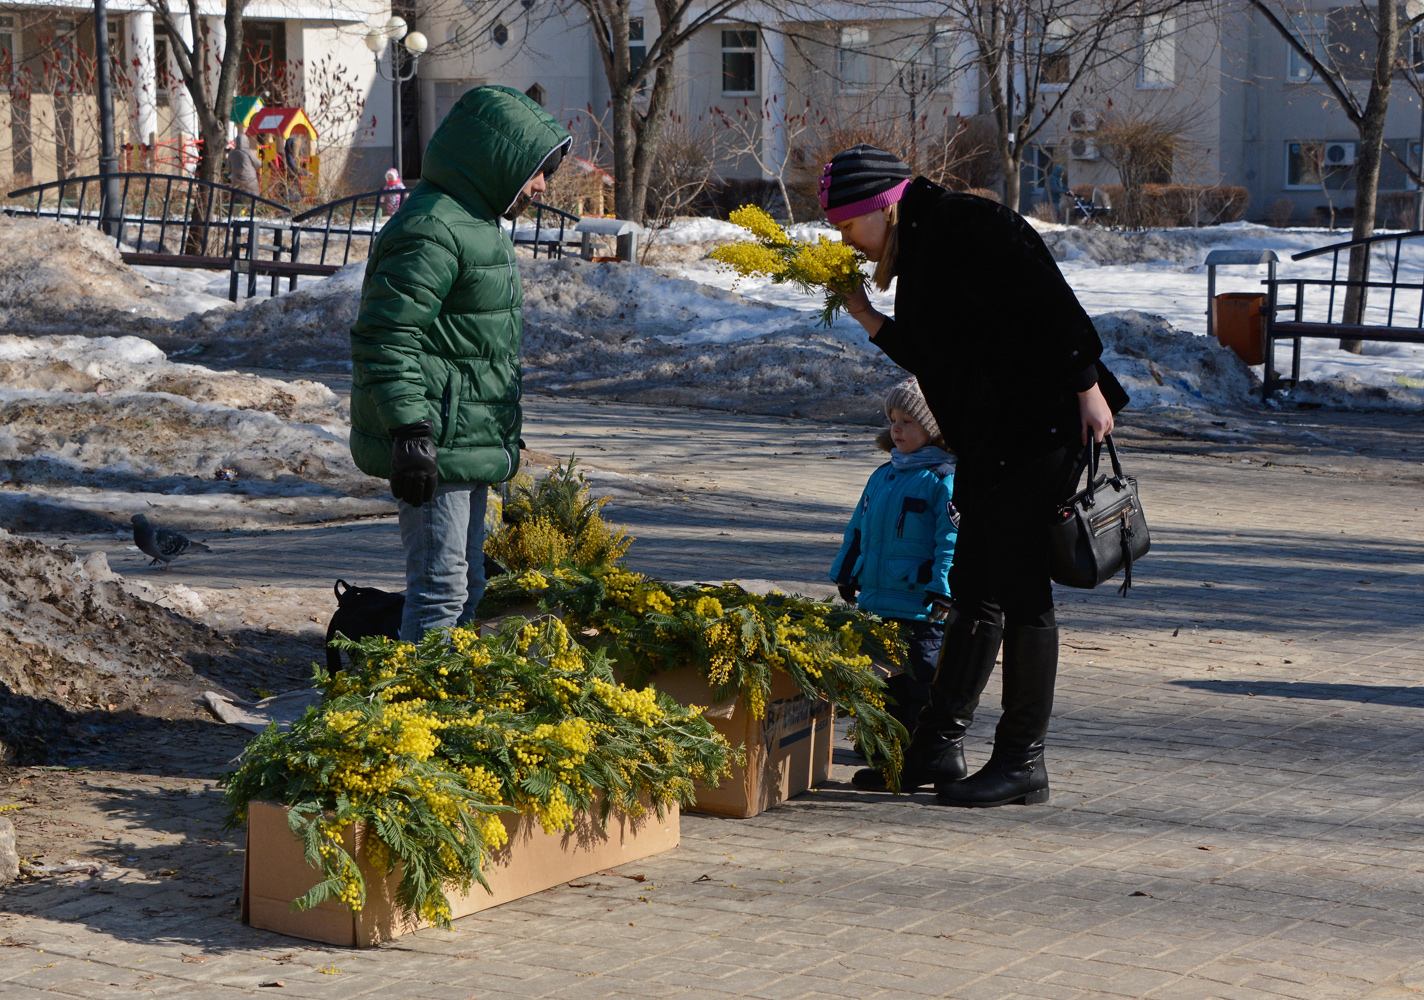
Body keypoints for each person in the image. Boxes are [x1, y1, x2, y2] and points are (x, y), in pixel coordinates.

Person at [823, 143, 1127, 807]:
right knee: (973, 584)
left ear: (881, 206)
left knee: (1017, 583)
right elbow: (940, 358)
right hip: (994, 436)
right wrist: (867, 315)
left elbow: (1047, 296)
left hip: (1046, 422)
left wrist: (1085, 384)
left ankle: (1023, 759)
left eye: (846, 226)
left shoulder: (964, 224)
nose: (845, 241)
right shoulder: (923, 247)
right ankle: (937, 744)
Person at [349, 85, 571, 641]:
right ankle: (411, 714)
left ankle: (447, 703)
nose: (542, 186)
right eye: (536, 171)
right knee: (440, 587)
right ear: (495, 161)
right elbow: (386, 334)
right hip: (434, 442)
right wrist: (409, 431)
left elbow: (475, 348)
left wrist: (499, 431)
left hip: (463, 439)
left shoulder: (476, 225)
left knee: (467, 585)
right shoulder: (433, 229)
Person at [829, 378, 958, 750]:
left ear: (933, 431)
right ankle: (881, 742)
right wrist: (845, 569)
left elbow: (951, 540)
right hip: (877, 599)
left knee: (922, 678)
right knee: (880, 680)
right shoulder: (882, 475)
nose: (896, 429)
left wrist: (943, 589)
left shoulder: (943, 479)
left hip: (921, 607)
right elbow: (858, 528)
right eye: (893, 419)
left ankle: (920, 746)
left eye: (908, 421)